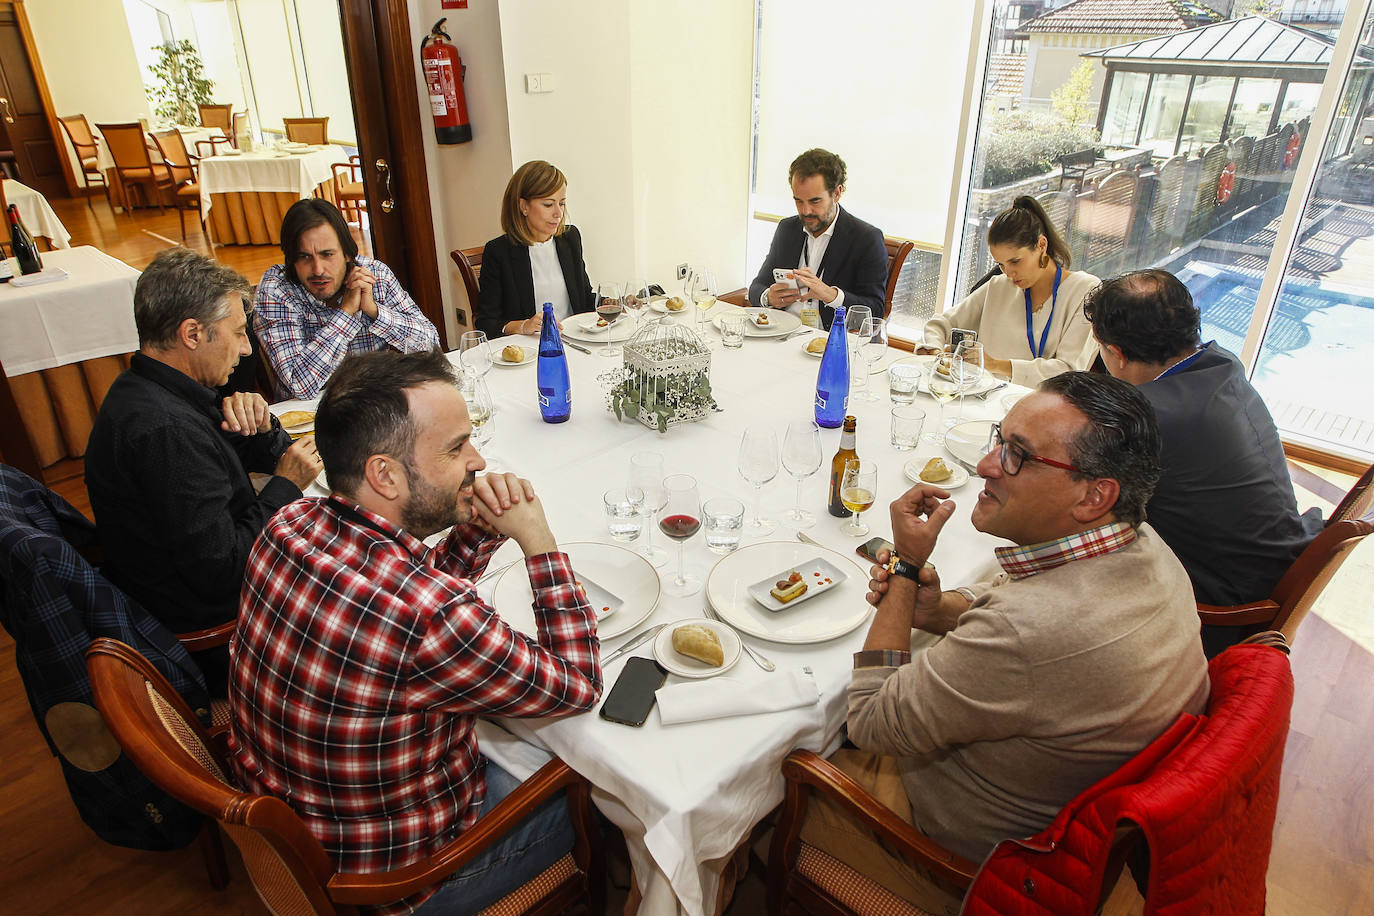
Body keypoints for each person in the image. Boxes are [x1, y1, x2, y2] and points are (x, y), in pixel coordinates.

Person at [804, 372, 1209, 914]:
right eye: (1000, 439)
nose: (987, 465)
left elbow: (871, 722)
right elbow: (1026, 605)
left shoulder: (1029, 631)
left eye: (1019, 454)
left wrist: (904, 569)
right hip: (1062, 815)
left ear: (1094, 494)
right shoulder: (1142, 540)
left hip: (965, 859)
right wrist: (940, 609)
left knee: (772, 768)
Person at [227, 349, 601, 916]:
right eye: (455, 448)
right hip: (404, 880)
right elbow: (576, 686)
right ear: (385, 474)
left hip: (301, 826)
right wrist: (539, 543)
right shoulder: (432, 617)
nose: (477, 460)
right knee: (601, 798)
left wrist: (472, 533)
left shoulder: (289, 524)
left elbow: (397, 606)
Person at [85, 248, 322, 694]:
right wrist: (286, 487)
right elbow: (224, 570)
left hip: (180, 592)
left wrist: (257, 424)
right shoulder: (164, 432)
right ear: (192, 333)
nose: (248, 348)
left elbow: (238, 457)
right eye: (237, 333)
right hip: (216, 637)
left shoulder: (150, 389)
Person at [1084, 269, 1323, 656]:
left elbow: (1086, 502)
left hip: (1221, 606)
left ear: (1118, 353)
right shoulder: (1220, 363)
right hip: (1269, 561)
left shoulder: (1150, 417)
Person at [253, 198, 440, 398]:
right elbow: (300, 386)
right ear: (291, 260)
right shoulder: (277, 290)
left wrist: (375, 311)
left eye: (327, 255)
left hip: (379, 405)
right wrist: (346, 314)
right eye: (304, 257)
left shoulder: (375, 274)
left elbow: (431, 347)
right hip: (311, 418)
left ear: (347, 254)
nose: (318, 270)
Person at [923, 196, 1099, 385]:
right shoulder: (998, 286)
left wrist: (995, 364)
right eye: (1001, 264)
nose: (1009, 273)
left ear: (1041, 245)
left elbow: (1069, 373)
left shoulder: (1085, 290)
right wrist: (936, 353)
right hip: (986, 400)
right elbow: (940, 324)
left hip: (1045, 406)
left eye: (1015, 261)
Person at [747, 148, 888, 329]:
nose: (805, 211)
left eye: (815, 201)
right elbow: (756, 287)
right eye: (798, 200)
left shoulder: (866, 238)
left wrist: (831, 295)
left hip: (829, 343)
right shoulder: (787, 229)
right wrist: (768, 296)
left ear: (837, 193)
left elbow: (874, 310)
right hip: (780, 335)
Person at [474, 160, 597, 339]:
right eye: (548, 204)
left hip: (575, 341)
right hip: (531, 350)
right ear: (523, 206)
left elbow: (585, 299)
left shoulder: (570, 238)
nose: (558, 213)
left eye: (562, 203)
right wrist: (524, 325)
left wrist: (613, 302)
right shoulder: (499, 252)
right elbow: (486, 323)